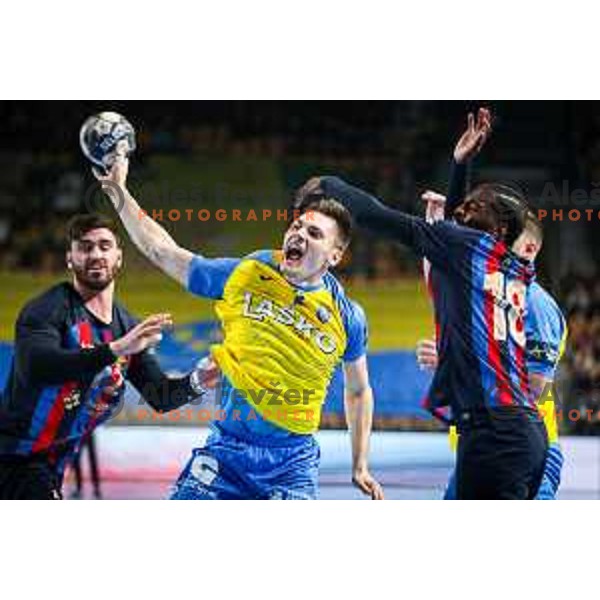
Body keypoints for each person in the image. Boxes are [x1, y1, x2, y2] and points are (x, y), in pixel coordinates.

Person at [96, 156, 383, 500]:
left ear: (334, 256)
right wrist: (118, 192)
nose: (298, 234)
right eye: (296, 227)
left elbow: (358, 390)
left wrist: (360, 464)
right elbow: (162, 251)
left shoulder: (347, 315)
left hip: (292, 464)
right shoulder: (250, 272)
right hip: (226, 452)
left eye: (314, 233)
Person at [306, 132, 550, 498]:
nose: (464, 207)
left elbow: (377, 216)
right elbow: (458, 232)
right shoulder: (510, 266)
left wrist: (328, 185)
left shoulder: (465, 248)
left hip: (495, 435)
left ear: (497, 229)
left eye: (476, 205)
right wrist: (460, 164)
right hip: (521, 433)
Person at [0, 213, 207, 499]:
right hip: (13, 458)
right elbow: (38, 366)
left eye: (104, 246)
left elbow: (161, 396)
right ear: (70, 258)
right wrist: (117, 349)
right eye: (85, 247)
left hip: (52, 464)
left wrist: (204, 378)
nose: (95, 254)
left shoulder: (125, 326)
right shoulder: (48, 310)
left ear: (119, 257)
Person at [418, 109, 566, 499]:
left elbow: (531, 387)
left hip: (520, 447)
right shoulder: (486, 287)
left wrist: (464, 359)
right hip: (483, 444)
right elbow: (442, 277)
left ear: (528, 247)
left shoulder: (537, 305)